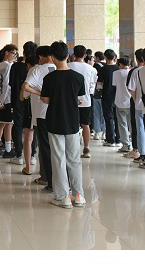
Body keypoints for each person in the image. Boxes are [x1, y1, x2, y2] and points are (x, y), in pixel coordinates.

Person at [40, 41, 86, 209]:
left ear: (52, 57)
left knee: (58, 159)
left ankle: (63, 197)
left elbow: (45, 99)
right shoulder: (78, 77)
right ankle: (78, 195)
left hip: (54, 121)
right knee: (74, 159)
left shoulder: (49, 78)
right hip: (73, 121)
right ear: (68, 56)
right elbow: (78, 97)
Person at [23, 46, 56, 187]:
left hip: (41, 112)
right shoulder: (59, 68)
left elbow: (25, 87)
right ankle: (57, 178)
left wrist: (39, 93)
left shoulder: (36, 70)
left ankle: (46, 178)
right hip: (57, 112)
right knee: (57, 147)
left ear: (41, 57)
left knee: (44, 146)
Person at [68, 45, 96, 158]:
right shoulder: (91, 69)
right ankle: (86, 148)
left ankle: (72, 148)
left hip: (70, 101)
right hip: (85, 100)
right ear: (85, 55)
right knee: (86, 125)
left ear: (74, 54)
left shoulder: (68, 66)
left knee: (72, 124)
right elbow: (92, 86)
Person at [0, 45, 19, 159]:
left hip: (1, 98)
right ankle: (8, 149)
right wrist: (4, 100)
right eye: (14, 53)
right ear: (7, 53)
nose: (15, 56)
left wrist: (0, 99)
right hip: (7, 99)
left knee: (2, 123)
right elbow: (7, 83)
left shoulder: (0, 65)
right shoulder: (9, 66)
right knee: (9, 124)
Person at [97, 49, 120, 147]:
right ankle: (118, 139)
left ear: (105, 57)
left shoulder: (103, 69)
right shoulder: (118, 68)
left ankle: (110, 140)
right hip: (117, 95)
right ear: (114, 57)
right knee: (117, 117)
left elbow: (99, 83)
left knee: (108, 117)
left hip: (106, 95)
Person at [113, 56, 132, 153]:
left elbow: (115, 85)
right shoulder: (132, 72)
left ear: (120, 64)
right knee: (132, 124)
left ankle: (126, 145)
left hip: (120, 101)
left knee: (122, 124)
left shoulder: (116, 73)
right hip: (131, 101)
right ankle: (135, 145)